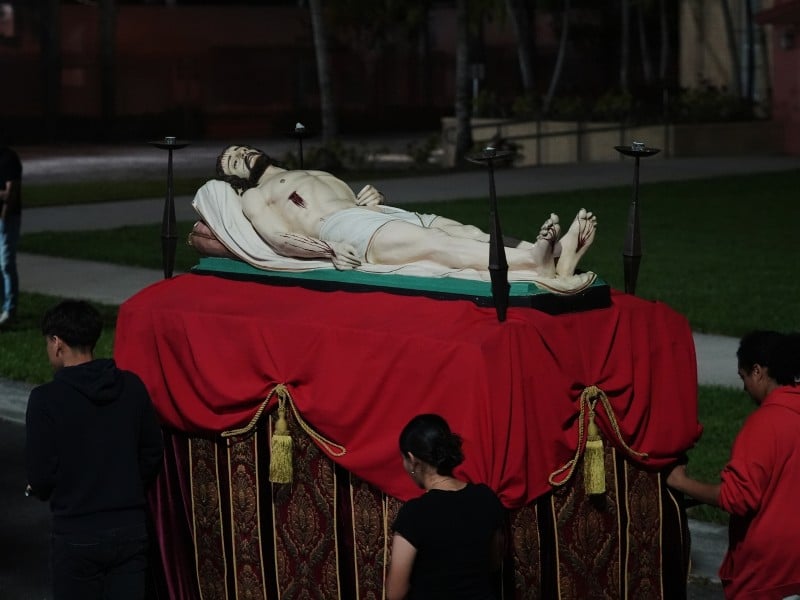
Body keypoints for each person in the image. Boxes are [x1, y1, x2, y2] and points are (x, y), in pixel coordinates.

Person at [215, 144, 597, 284]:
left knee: (461, 229)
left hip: (371, 214)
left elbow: (340, 198)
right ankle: (532, 260)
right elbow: (277, 238)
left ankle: (555, 258)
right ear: (233, 179)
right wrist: (324, 250)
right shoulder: (256, 195)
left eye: (240, 148)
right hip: (342, 230)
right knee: (436, 245)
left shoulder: (303, 170)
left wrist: (371, 199)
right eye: (232, 160)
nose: (241, 154)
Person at [25, 300, 164, 600]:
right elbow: (152, 451)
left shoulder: (45, 400)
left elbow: (41, 475)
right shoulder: (131, 387)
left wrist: (40, 486)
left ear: (57, 343)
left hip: (77, 534)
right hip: (130, 529)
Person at [666, 330, 800, 599]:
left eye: (744, 378)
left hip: (768, 577)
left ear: (758, 371)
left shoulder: (765, 424)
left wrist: (682, 482)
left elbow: (737, 498)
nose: (744, 388)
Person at [385, 413, 505, 600]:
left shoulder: (414, 513)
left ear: (412, 459)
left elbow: (395, 593)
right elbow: (494, 563)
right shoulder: (486, 498)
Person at [0, 144, 22, 326]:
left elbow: (10, 194)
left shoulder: (8, 159)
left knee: (6, 264)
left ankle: (10, 309)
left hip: (7, 219)